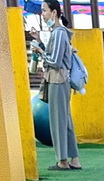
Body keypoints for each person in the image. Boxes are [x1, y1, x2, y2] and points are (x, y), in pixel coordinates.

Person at [38, 2, 81, 171]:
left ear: (54, 12)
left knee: (58, 121)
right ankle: (74, 158)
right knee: (66, 120)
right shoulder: (60, 33)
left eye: (44, 10)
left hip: (57, 80)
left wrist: (41, 53)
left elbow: (54, 61)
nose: (43, 14)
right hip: (62, 80)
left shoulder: (58, 33)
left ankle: (62, 161)